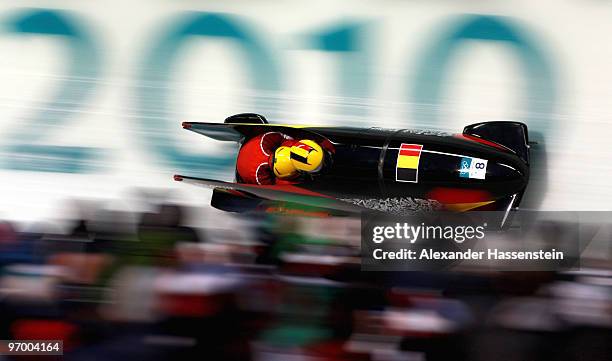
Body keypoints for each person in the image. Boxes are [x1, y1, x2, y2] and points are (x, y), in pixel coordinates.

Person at [236, 132, 330, 185]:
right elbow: (270, 189)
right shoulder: (259, 176)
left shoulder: (268, 139)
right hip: (246, 171)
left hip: (255, 145)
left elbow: (283, 137)